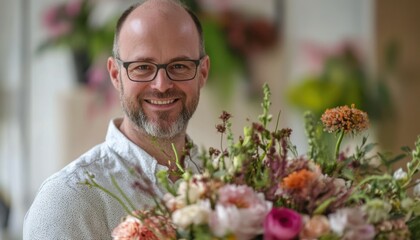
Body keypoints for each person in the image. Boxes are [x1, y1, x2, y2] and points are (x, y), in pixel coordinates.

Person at [23, 0, 210, 239]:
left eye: (180, 66)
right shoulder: (67, 200)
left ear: (202, 72)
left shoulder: (232, 188)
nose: (162, 85)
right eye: (142, 67)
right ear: (115, 74)